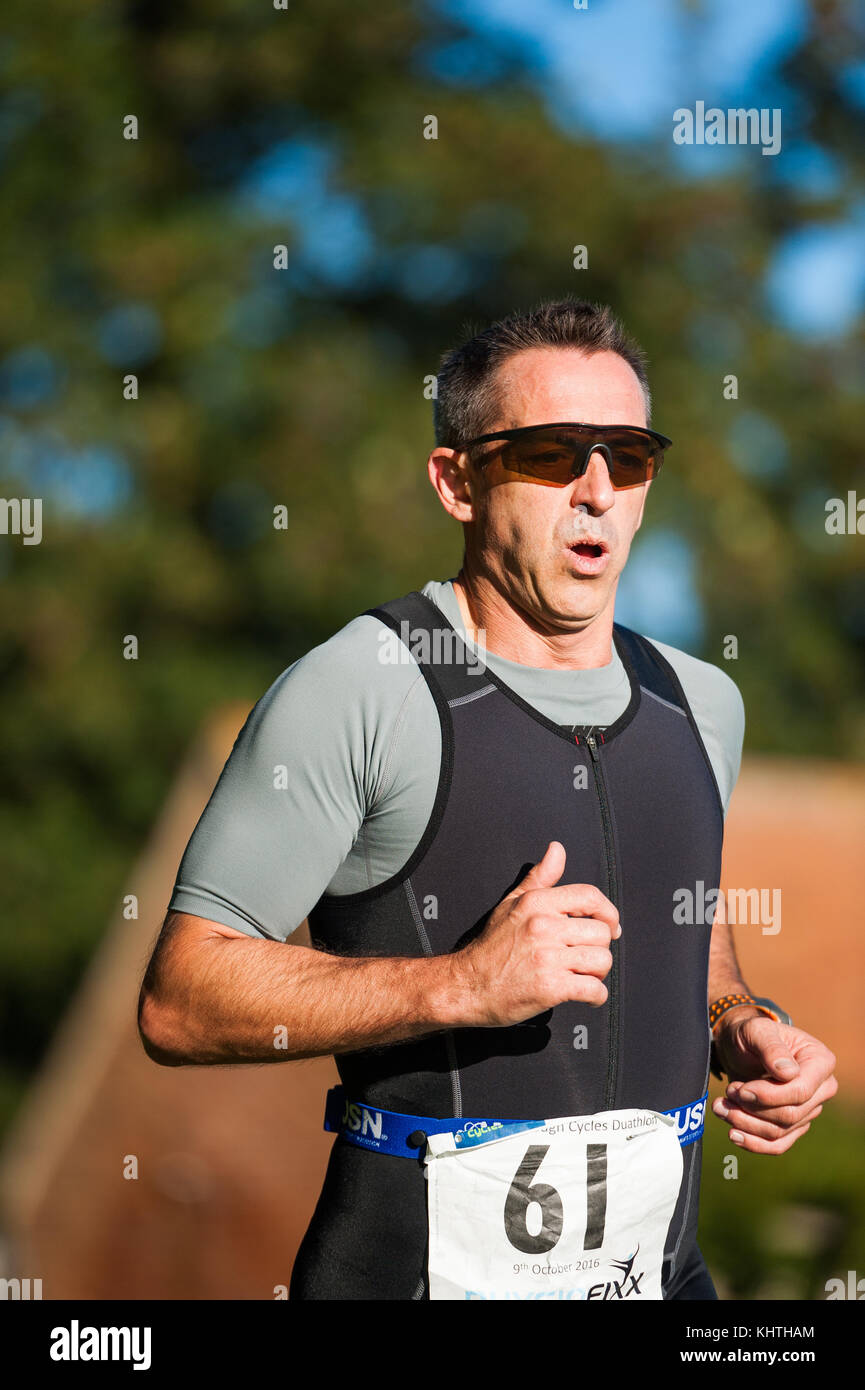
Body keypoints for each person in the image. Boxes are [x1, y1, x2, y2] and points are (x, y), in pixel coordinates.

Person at [138, 298, 838, 1301]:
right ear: (456, 479)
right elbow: (179, 1001)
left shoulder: (701, 701)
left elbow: (689, 920)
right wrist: (458, 986)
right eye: (553, 453)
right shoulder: (361, 686)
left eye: (627, 456)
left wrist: (739, 1020)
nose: (596, 490)